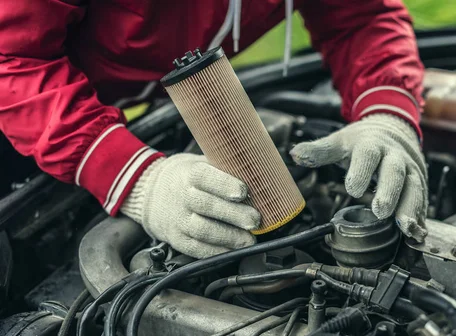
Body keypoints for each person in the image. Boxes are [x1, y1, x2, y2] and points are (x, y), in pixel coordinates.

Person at [0, 0, 427, 259]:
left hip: (115, 92)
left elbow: (361, 18)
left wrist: (388, 114)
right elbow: (13, 56)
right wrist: (132, 176)